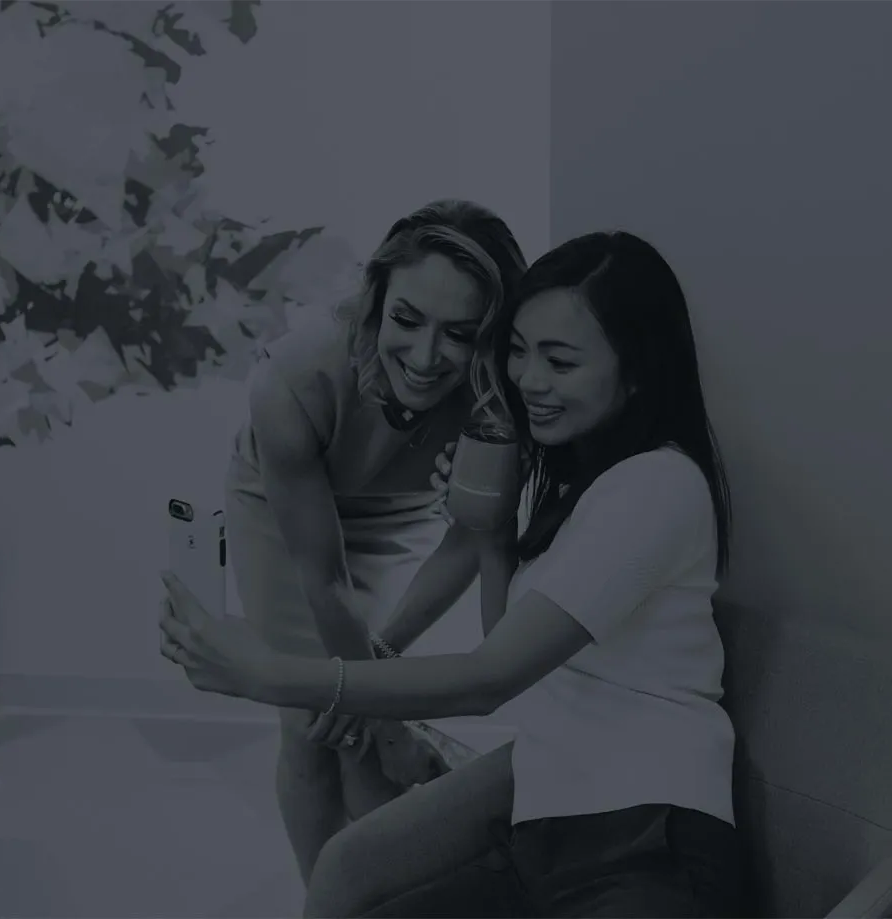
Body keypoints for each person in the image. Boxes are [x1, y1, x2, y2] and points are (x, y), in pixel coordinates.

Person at [162, 230, 745, 918]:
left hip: (646, 835)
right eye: (520, 352)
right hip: (549, 819)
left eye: (559, 361)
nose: (528, 379)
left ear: (638, 370)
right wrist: (492, 537)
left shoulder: (657, 488)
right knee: (345, 876)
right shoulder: (590, 482)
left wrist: (267, 674)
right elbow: (512, 649)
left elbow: (489, 679)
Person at [221, 199, 528, 884]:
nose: (424, 357)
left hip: (401, 508)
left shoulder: (501, 387)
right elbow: (323, 579)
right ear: (375, 298)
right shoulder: (290, 380)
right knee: (313, 719)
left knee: (357, 713)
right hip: (281, 514)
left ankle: (376, 897)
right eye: (407, 319)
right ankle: (327, 900)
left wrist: (380, 671)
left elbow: (470, 536)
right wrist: (379, 707)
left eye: (459, 333)